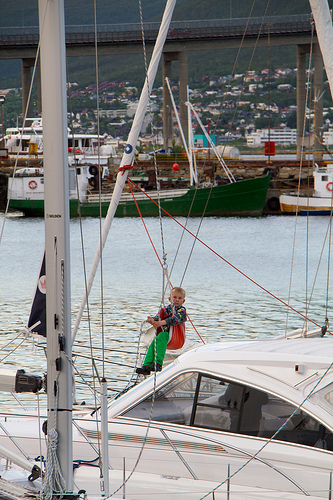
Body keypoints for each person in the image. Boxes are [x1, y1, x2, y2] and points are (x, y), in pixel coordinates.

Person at [136, 287, 186, 375]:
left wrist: (160, 323)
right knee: (153, 343)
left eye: (179, 298)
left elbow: (175, 319)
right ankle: (146, 366)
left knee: (162, 336)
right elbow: (158, 317)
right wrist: (152, 320)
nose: (177, 300)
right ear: (170, 299)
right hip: (164, 335)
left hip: (174, 337)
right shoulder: (165, 310)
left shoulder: (182, 311)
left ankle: (158, 363)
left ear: (183, 301)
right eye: (174, 297)